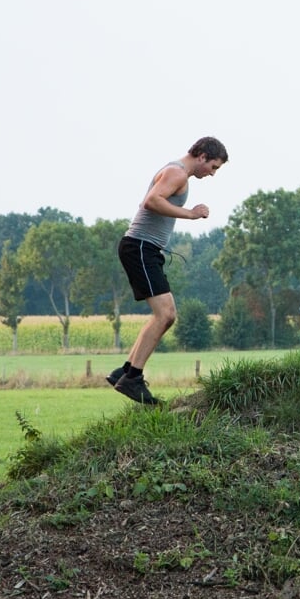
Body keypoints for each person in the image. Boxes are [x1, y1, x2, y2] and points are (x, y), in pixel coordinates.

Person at [107, 136, 228, 405]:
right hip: (140, 247)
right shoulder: (177, 173)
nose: (212, 174)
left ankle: (125, 371)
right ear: (203, 156)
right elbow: (151, 201)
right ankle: (133, 379)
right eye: (214, 167)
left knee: (165, 315)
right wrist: (191, 214)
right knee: (166, 314)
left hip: (144, 249)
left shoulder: (178, 172)